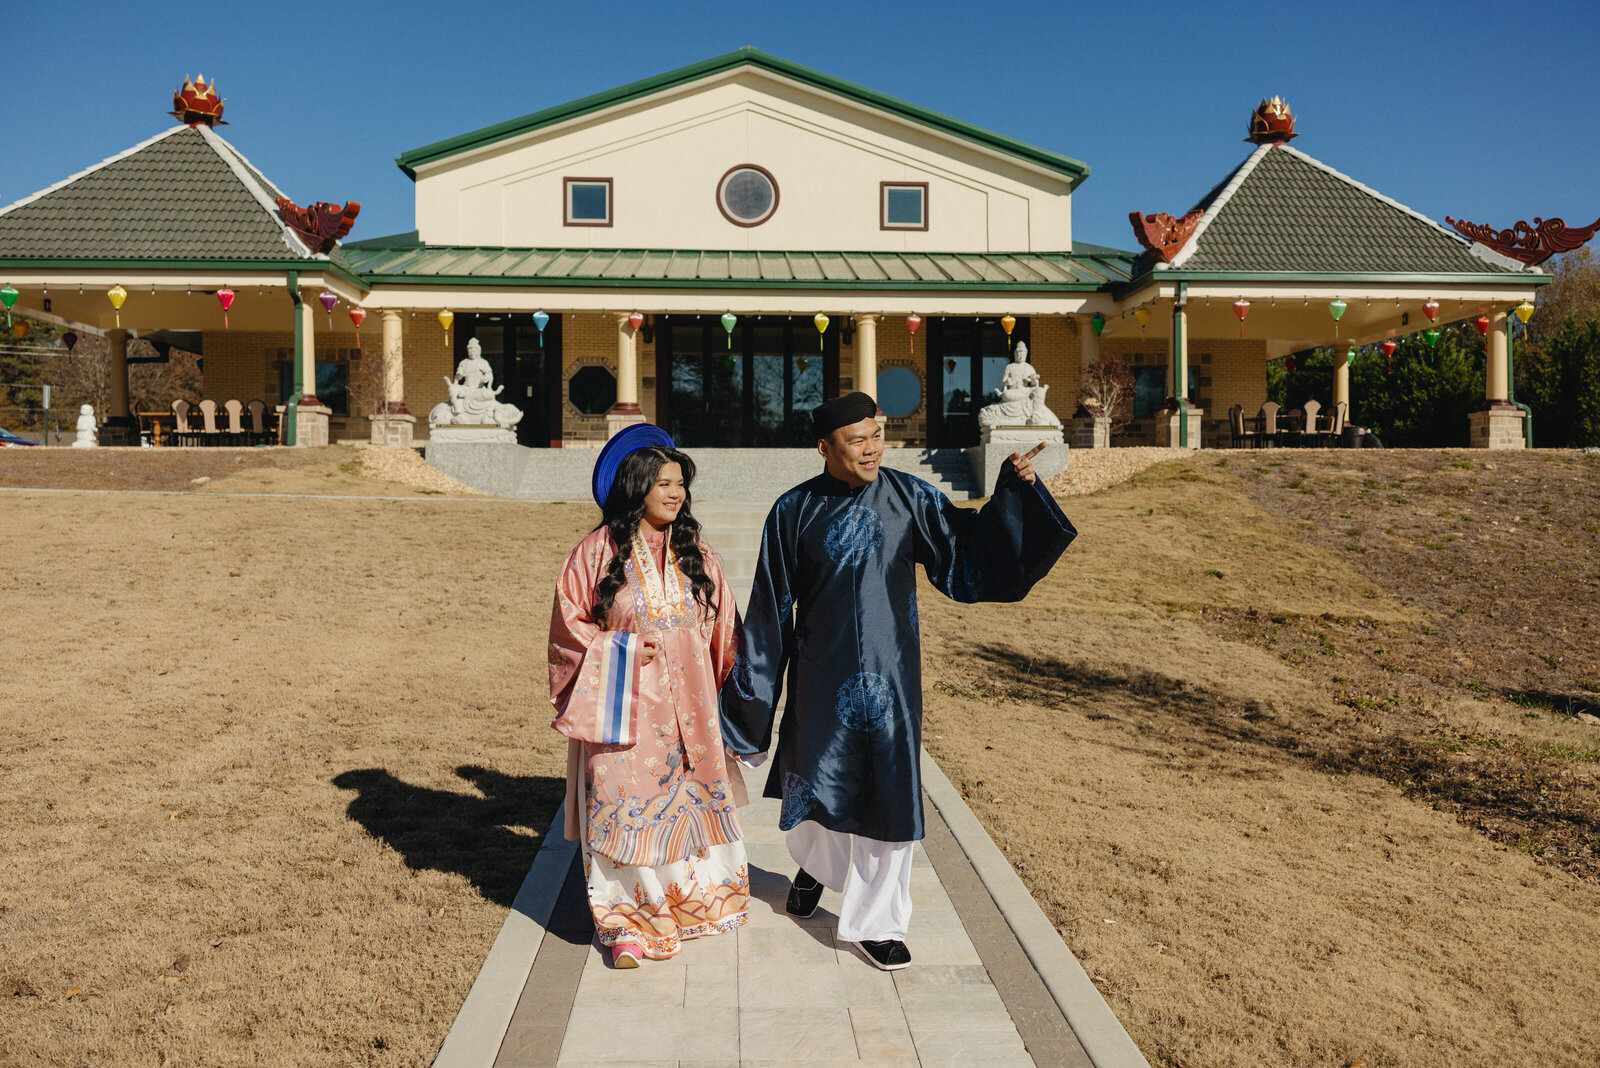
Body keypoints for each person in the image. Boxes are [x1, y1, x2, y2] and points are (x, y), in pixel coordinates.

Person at [719, 392, 1076, 970]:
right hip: (820, 678)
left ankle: (877, 922)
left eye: (877, 435)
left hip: (891, 684)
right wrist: (752, 706)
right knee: (819, 789)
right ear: (824, 448)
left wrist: (1016, 491)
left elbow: (967, 551)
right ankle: (817, 868)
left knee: (888, 798)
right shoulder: (792, 511)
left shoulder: (909, 497)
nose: (872, 448)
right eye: (857, 439)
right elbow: (767, 611)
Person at [548, 424, 749, 968]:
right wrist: (617, 650)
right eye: (662, 482)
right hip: (626, 712)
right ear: (636, 486)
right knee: (622, 807)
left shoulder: (696, 553)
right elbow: (568, 633)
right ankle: (627, 923)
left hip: (693, 711)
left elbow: (726, 630)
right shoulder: (594, 554)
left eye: (680, 483)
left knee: (689, 802)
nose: (675, 493)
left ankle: (692, 902)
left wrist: (732, 696)